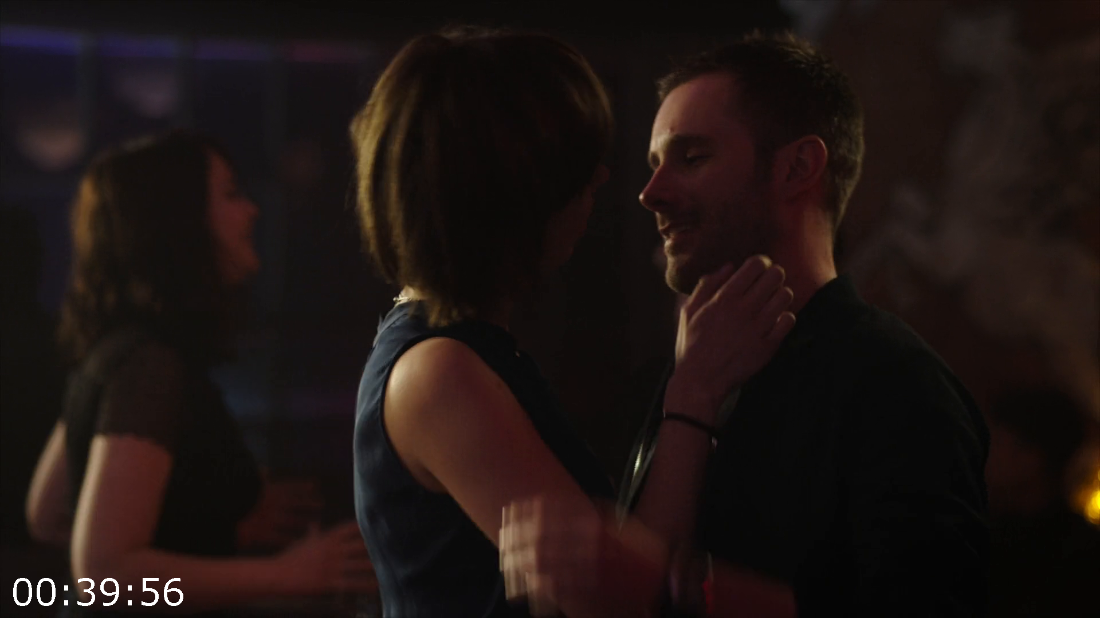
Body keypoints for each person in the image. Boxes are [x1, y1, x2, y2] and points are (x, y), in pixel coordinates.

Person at [500, 31, 990, 617]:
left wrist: (675, 587)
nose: (650, 193)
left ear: (797, 168)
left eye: (692, 158)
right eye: (655, 165)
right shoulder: (683, 375)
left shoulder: (894, 382)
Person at [350, 27, 798, 617]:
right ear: (516, 187)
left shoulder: (465, 348)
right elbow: (616, 597)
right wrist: (694, 391)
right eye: (579, 162)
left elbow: (618, 565)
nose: (602, 179)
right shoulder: (440, 372)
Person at [24, 131, 374, 616]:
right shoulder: (151, 367)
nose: (251, 210)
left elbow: (48, 515)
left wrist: (208, 528)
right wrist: (293, 573)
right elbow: (103, 575)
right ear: (179, 221)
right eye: (230, 194)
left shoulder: (117, 349)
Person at [985, 387, 1100, 618]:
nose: (987, 453)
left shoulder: (1076, 555)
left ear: (1032, 458)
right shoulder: (990, 530)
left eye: (997, 442)